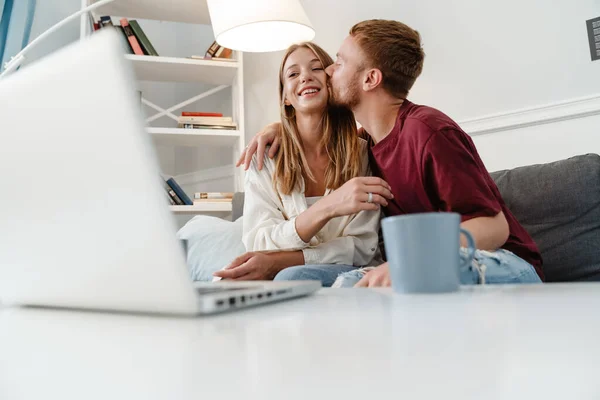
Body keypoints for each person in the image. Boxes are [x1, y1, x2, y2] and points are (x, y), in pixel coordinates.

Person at [237, 19, 544, 288]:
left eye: (339, 63)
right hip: (430, 265)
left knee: (393, 286)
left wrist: (409, 263)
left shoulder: (428, 131)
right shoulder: (367, 142)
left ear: (370, 79)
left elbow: (494, 226)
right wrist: (279, 128)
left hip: (504, 263)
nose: (329, 71)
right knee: (343, 288)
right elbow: (318, 134)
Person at [213, 42, 393, 287]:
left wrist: (282, 261)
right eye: (293, 74)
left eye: (316, 68)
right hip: (283, 278)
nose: (306, 77)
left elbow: (362, 247)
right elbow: (259, 242)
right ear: (285, 97)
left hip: (353, 272)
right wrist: (327, 207)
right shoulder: (264, 158)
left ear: (331, 82)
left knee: (291, 277)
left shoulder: (361, 153)